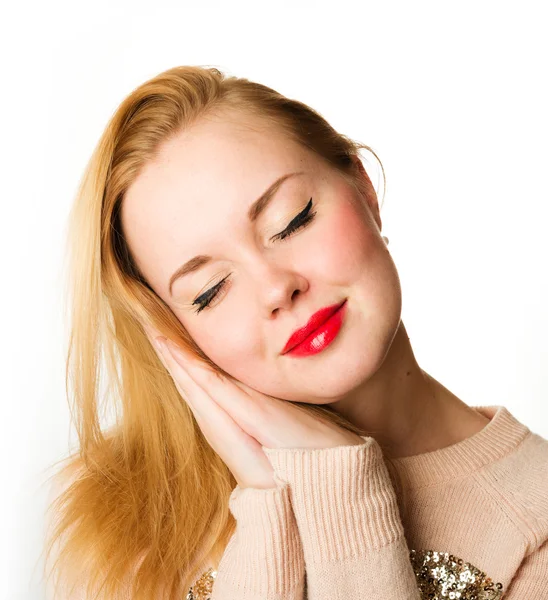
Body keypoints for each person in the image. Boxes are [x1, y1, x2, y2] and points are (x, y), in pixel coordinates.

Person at [43, 65, 548, 600]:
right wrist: (265, 501)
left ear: (363, 188)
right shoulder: (141, 531)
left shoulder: (532, 520)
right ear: (178, 334)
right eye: (211, 290)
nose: (276, 288)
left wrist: (339, 485)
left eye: (292, 220)